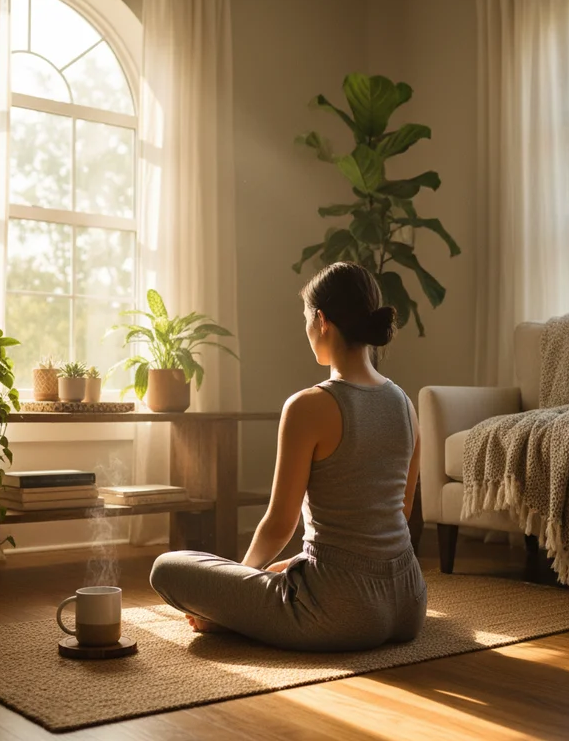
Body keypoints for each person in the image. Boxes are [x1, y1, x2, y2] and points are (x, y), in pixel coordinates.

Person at [150, 261, 426, 652]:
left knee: (167, 568)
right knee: (286, 570)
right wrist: (297, 564)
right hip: (408, 603)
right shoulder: (405, 404)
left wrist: (234, 593)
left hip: (339, 611)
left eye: (306, 320)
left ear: (321, 320)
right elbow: (401, 511)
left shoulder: (308, 406)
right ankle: (286, 582)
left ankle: (244, 612)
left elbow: (280, 524)